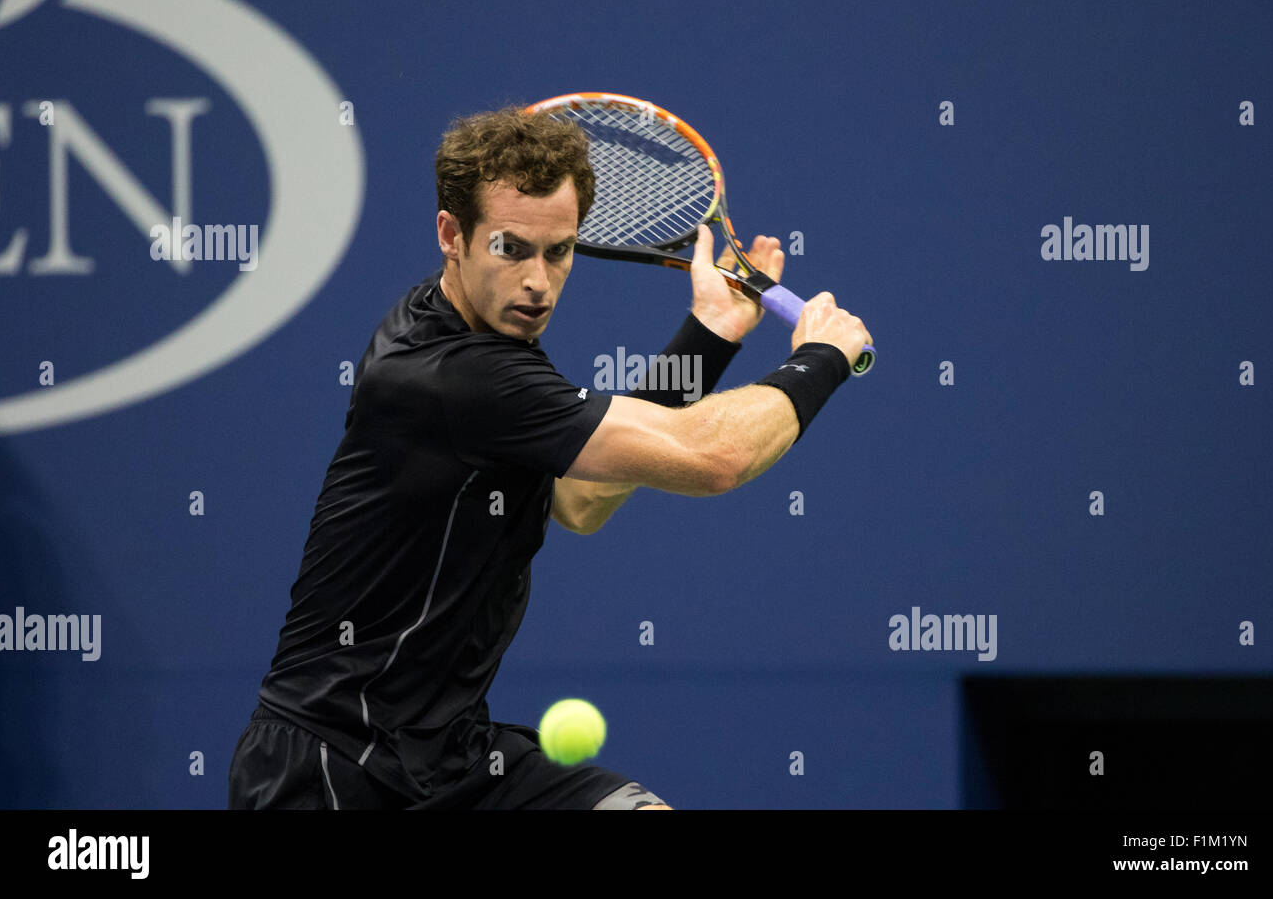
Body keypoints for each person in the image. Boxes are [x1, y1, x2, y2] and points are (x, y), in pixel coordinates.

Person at [227, 105, 872, 810]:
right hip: (333, 766)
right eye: (511, 248)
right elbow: (715, 457)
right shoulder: (454, 375)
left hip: (454, 756)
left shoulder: (487, 342)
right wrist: (819, 360)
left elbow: (580, 500)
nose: (538, 280)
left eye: (558, 251)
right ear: (452, 234)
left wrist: (710, 335)